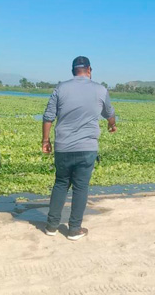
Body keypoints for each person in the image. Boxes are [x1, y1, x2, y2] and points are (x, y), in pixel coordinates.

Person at [42, 56, 117, 240]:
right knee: (80, 187)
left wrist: (45, 141)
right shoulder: (100, 89)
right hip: (87, 147)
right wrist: (111, 125)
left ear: (73, 71)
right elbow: (110, 114)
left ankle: (51, 226)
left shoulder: (60, 88)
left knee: (60, 183)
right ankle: (74, 229)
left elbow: (48, 117)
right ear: (89, 70)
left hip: (63, 147)